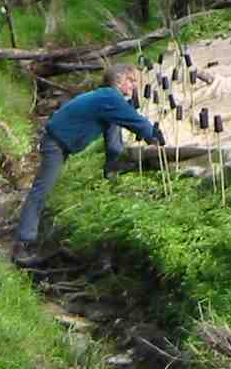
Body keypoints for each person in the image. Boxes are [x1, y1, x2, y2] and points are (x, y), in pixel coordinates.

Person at [12, 64, 165, 265]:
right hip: (55, 144)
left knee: (43, 190)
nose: (134, 85)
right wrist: (154, 136)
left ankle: (112, 171)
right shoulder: (110, 98)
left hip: (60, 141)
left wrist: (115, 167)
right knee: (41, 191)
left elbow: (117, 134)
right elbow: (134, 120)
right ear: (119, 81)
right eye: (131, 80)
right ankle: (23, 244)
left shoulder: (107, 100)